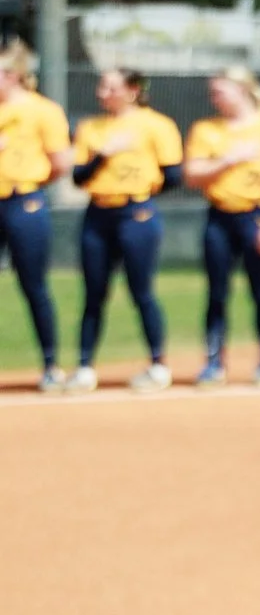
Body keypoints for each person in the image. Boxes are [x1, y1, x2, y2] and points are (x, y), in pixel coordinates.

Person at [69, 67, 185, 394]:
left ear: (132, 90)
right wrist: (104, 155)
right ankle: (84, 367)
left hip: (136, 212)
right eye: (101, 87)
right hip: (98, 212)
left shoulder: (157, 125)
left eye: (110, 87)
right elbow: (78, 177)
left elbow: (173, 175)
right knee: (94, 292)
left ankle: (158, 365)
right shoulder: (91, 127)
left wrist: (139, 191)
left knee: (141, 290)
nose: (102, 93)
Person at [184, 65, 260, 387]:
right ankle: (214, 361)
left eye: (220, 90)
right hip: (219, 216)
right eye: (213, 92)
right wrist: (230, 159)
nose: (215, 97)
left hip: (256, 216)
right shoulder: (206, 129)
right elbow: (192, 175)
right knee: (217, 292)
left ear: (242, 90)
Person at [0, 40, 71, 392]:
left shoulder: (44, 111)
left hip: (23, 202)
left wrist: (26, 180)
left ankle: (50, 364)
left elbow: (60, 164)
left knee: (33, 285)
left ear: (12, 75)